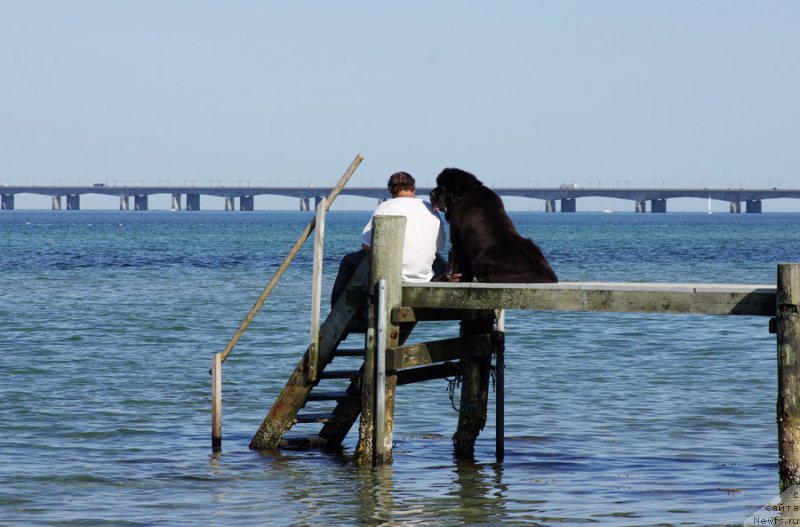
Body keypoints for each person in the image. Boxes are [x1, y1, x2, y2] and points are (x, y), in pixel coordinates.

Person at [331, 171, 446, 307]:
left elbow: (367, 245)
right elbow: (439, 246)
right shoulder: (431, 209)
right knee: (439, 260)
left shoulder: (385, 207)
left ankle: (338, 308)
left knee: (347, 261)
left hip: (390, 279)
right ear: (413, 188)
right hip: (423, 278)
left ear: (391, 190)